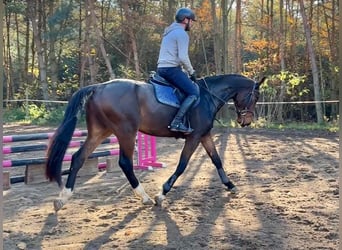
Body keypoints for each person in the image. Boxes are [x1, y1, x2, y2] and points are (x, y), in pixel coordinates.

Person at [157, 7, 199, 134]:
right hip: (171, 70)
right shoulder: (181, 34)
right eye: (191, 21)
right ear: (185, 20)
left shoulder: (169, 32)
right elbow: (182, 57)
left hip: (161, 68)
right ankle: (177, 122)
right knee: (193, 92)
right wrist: (191, 71)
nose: (191, 24)